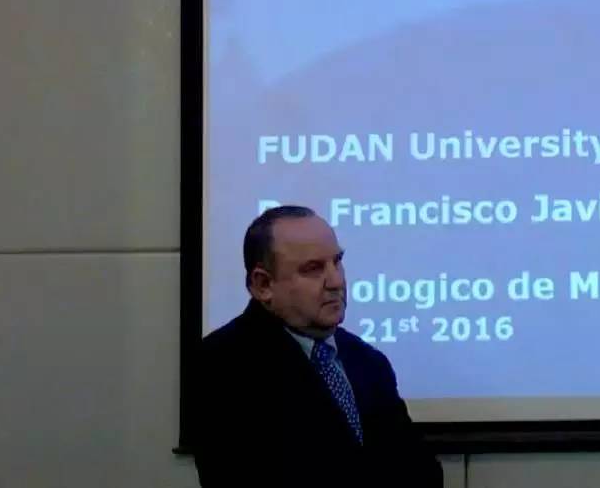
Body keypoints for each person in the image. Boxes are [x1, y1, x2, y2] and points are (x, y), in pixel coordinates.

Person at [189, 205, 443, 486]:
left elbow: (422, 472)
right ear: (263, 285)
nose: (336, 281)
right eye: (313, 269)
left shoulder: (368, 362)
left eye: (337, 262)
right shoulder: (222, 364)